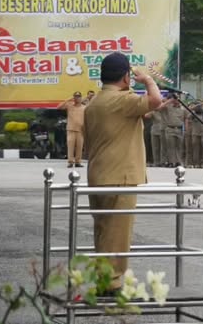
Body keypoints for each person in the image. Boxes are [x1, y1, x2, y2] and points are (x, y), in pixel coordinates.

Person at [83, 54, 162, 290]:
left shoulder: (96, 102)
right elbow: (155, 100)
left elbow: (136, 114)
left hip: (99, 174)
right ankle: (114, 284)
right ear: (126, 76)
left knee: (104, 232)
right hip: (120, 176)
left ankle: (103, 279)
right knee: (117, 234)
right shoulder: (122, 100)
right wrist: (148, 80)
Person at [57, 91, 87, 167]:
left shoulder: (84, 107)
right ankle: (70, 162)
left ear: (81, 98)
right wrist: (68, 99)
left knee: (79, 147)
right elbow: (59, 107)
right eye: (76, 97)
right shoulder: (70, 106)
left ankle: (78, 162)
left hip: (81, 130)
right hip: (71, 129)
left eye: (78, 97)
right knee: (70, 146)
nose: (77, 98)